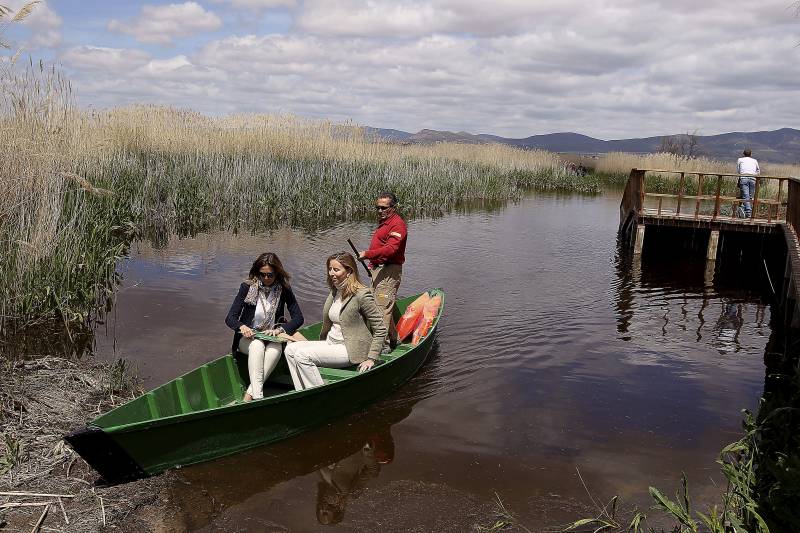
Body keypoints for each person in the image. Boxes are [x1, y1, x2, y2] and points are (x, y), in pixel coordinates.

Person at [284, 252, 387, 390]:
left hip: (350, 349)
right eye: (330, 269)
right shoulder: (335, 291)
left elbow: (380, 328)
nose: (331, 273)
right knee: (290, 349)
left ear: (349, 271)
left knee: (302, 355)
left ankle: (317, 393)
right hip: (331, 343)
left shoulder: (362, 294)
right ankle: (301, 390)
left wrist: (371, 358)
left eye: (336, 269)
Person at [225, 252, 304, 401]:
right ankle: (258, 396)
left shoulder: (284, 289)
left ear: (277, 273)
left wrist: (279, 330)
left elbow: (299, 318)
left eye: (270, 275)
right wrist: (242, 327)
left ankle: (249, 395)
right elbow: (230, 318)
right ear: (257, 273)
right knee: (257, 346)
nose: (266, 278)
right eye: (263, 275)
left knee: (275, 350)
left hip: (273, 337)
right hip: (248, 339)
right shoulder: (247, 288)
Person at [358, 192, 407, 349]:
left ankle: (382, 347)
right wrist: (373, 263)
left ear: (393, 207)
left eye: (383, 208)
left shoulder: (397, 225)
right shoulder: (385, 222)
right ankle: (393, 339)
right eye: (377, 207)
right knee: (382, 306)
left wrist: (368, 254)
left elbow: (391, 249)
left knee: (381, 309)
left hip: (390, 271)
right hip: (379, 270)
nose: (380, 211)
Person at [736, 148, 760, 218]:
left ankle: (748, 212)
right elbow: (758, 171)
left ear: (743, 154)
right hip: (753, 178)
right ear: (751, 154)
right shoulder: (754, 161)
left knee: (745, 195)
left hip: (743, 178)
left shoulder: (740, 160)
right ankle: (744, 210)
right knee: (750, 196)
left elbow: (738, 170)